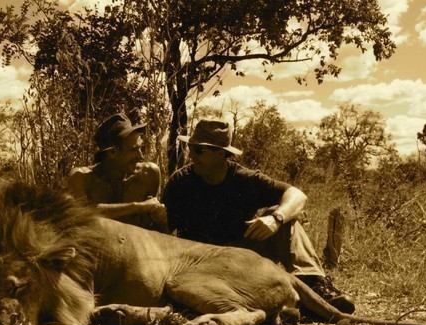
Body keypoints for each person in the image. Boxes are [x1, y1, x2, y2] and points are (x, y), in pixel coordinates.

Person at [162, 119, 355, 313]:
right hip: (197, 262)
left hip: (241, 257)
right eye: (191, 148)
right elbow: (163, 232)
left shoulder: (244, 179)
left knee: (284, 218)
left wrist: (276, 218)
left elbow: (297, 195)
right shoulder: (180, 182)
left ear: (221, 153)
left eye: (199, 150)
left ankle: (314, 285)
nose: (192, 155)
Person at [68, 113, 167, 230]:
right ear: (112, 152)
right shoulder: (81, 178)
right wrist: (139, 206)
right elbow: (84, 215)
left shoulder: (149, 174)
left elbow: (158, 228)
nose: (140, 156)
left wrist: (159, 217)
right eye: (133, 149)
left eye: (140, 148)